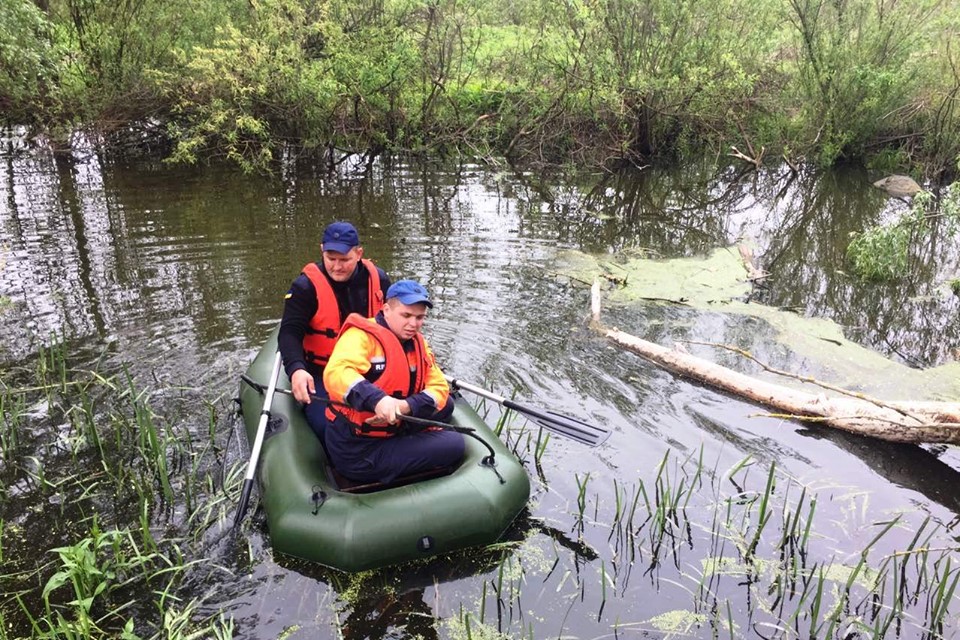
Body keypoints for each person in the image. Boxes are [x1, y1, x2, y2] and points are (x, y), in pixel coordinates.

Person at [322, 280, 465, 483]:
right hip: (360, 448)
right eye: (406, 316)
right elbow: (337, 373)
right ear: (386, 309)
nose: (413, 324)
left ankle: (406, 441)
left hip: (393, 425)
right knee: (455, 444)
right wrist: (378, 400)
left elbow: (439, 387)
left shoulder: (418, 342)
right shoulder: (360, 336)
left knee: (447, 405)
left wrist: (405, 406)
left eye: (420, 317)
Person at [279, 221, 390, 440]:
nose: (337, 267)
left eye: (344, 260)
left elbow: (395, 325)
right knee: (330, 425)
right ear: (322, 251)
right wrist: (297, 369)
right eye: (331, 259)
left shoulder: (378, 280)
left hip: (367, 369)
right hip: (321, 372)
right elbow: (289, 332)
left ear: (359, 254)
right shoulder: (305, 287)